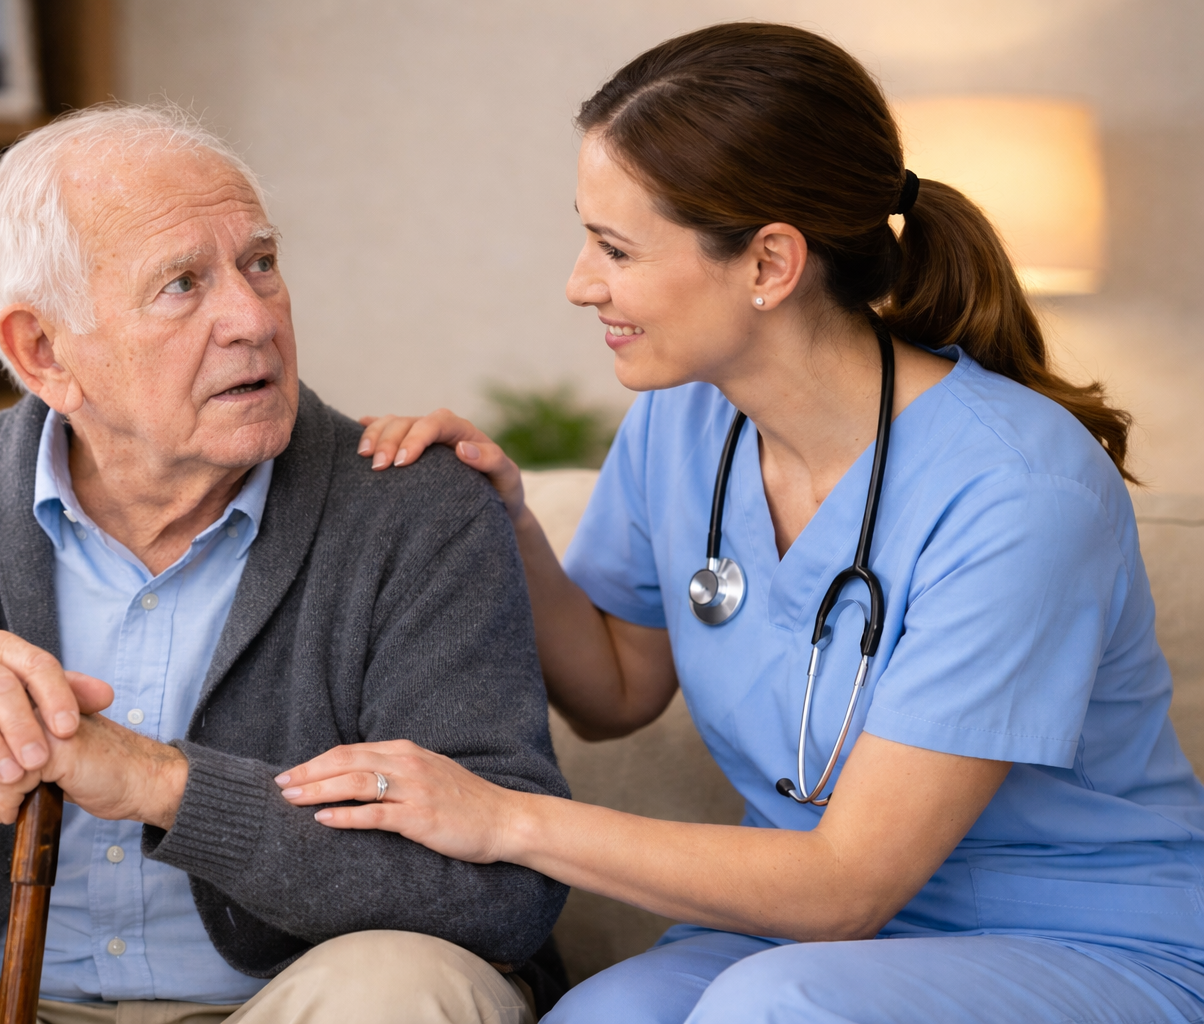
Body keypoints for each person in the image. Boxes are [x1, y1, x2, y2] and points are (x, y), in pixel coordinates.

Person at [274, 23, 1204, 1024]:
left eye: (616, 247)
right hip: (799, 931)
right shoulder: (684, 421)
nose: (581, 282)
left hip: (1075, 939)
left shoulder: (1019, 491)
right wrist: (505, 520)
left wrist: (500, 820)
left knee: (773, 1007)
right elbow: (618, 690)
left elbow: (850, 886)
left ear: (769, 262)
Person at [0, 104, 567, 1024]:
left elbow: (503, 890)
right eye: (182, 284)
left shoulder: (414, 508)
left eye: (260, 263)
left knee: (410, 993)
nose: (252, 317)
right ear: (43, 351)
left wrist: (164, 786)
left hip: (286, 998)